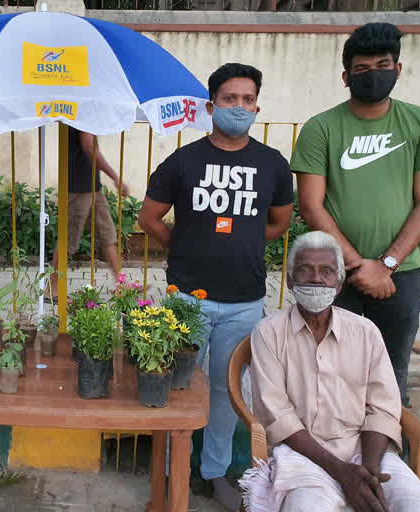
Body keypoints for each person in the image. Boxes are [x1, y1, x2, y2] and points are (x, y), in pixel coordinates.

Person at [138, 63, 294, 511]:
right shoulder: (183, 161)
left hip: (245, 301)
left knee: (230, 394)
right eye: (230, 99)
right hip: (186, 298)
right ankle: (171, 471)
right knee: (176, 388)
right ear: (211, 106)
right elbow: (149, 219)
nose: (239, 107)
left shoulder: (272, 164)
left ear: (257, 106)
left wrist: (239, 243)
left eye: (247, 100)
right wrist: (187, 244)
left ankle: (215, 472)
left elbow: (279, 222)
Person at [292, 22, 420, 407]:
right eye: (361, 69)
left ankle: (389, 460)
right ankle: (331, 459)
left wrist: (387, 265)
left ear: (397, 69)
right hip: (330, 274)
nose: (372, 75)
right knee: (326, 371)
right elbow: (312, 206)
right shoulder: (321, 128)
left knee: (390, 376)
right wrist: (359, 267)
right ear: (346, 77)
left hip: (402, 275)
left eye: (382, 65)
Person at [242, 231, 420, 512]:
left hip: (365, 450)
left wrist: (368, 472)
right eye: (305, 270)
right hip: (301, 455)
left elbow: (383, 408)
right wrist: (342, 472)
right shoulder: (269, 333)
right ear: (289, 280)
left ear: (338, 284)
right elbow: (278, 415)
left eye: (326, 271)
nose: (315, 278)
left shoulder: (365, 332)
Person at [48, 127, 129, 298]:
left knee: (107, 235)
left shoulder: (87, 110)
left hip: (92, 186)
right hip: (78, 187)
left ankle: (122, 285)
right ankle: (52, 289)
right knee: (67, 240)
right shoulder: (82, 109)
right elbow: (89, 147)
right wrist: (115, 177)